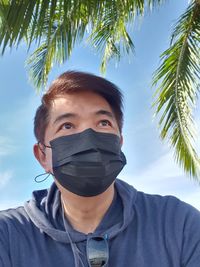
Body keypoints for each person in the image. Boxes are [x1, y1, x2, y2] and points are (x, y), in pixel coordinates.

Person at [0, 71, 200, 267]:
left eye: (103, 123)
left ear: (119, 143)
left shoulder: (178, 223)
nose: (88, 137)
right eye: (67, 125)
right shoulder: (8, 234)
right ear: (42, 155)